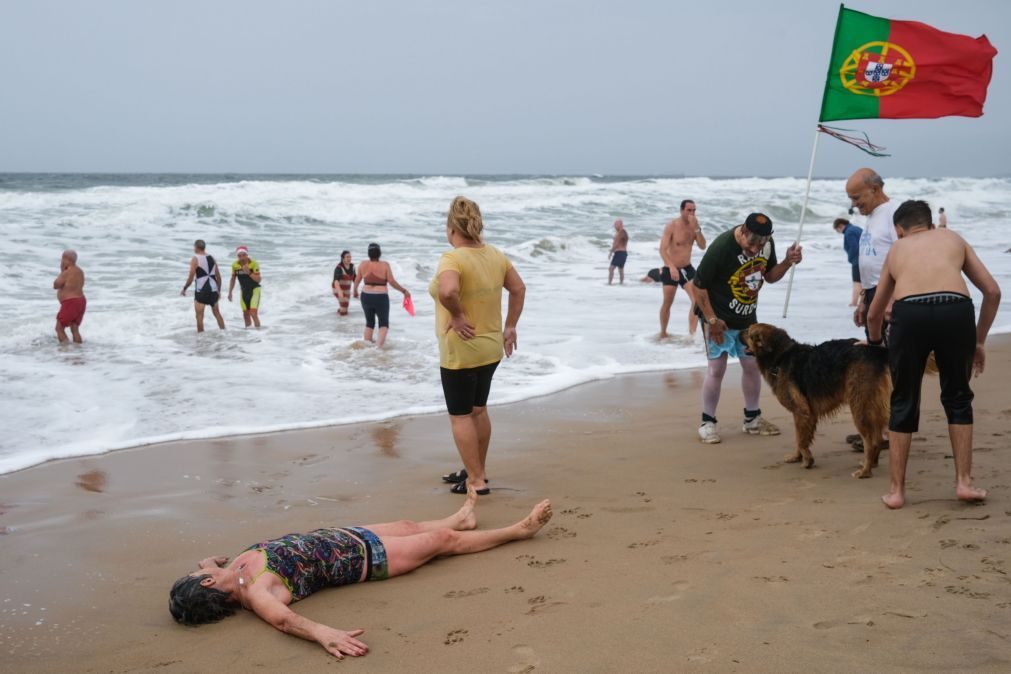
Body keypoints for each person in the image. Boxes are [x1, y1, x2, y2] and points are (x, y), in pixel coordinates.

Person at [169, 490, 553, 660]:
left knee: (410, 523)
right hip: (367, 559)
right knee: (440, 541)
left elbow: (208, 565)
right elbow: (285, 621)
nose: (205, 568)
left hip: (343, 536)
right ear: (206, 585)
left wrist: (207, 562)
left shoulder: (225, 574)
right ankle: (518, 531)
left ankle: (463, 517)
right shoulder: (255, 593)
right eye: (201, 572)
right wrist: (324, 634)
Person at [866, 200, 1000, 510]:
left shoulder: (897, 250)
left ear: (899, 230)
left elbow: (875, 314)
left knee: (903, 399)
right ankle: (964, 482)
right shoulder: (953, 238)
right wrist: (978, 341)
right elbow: (992, 292)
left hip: (910, 313)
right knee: (957, 397)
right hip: (956, 308)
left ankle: (897, 492)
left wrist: (875, 344)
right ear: (928, 223)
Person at [432, 196, 526, 496]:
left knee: (460, 415)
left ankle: (475, 481)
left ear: (451, 228)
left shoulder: (453, 258)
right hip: (490, 348)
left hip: (461, 349)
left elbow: (448, 291)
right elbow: (518, 288)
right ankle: (477, 470)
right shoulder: (496, 255)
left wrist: (458, 316)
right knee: (478, 411)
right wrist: (510, 326)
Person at [692, 213, 802, 444]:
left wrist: (786, 262)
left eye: (760, 244)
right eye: (751, 243)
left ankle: (752, 419)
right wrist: (711, 320)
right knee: (716, 369)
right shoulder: (722, 247)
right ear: (742, 231)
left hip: (746, 318)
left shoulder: (766, 244)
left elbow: (769, 276)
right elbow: (698, 286)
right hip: (717, 319)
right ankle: (707, 422)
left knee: (752, 366)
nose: (755, 249)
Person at [847, 168, 899, 338]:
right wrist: (863, 299)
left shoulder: (894, 213)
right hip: (872, 293)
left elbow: (905, 259)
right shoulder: (872, 215)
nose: (853, 204)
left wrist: (891, 300)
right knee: (875, 356)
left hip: (890, 294)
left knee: (890, 356)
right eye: (851, 199)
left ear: (875, 189)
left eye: (856, 198)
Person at [659, 199, 707, 337]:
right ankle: (663, 333)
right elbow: (662, 249)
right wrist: (672, 267)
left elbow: (703, 246)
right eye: (689, 210)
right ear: (682, 211)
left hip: (687, 268)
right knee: (668, 302)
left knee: (697, 301)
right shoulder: (672, 226)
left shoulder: (695, 226)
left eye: (694, 210)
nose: (692, 213)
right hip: (670, 268)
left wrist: (697, 229)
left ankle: (691, 336)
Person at [353, 243, 410, 347]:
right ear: (379, 253)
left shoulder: (363, 264)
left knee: (369, 323)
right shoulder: (385, 265)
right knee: (383, 323)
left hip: (366, 296)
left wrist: (355, 290)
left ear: (368, 253)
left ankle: (367, 346)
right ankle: (377, 349)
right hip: (380, 297)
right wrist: (403, 291)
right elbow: (392, 282)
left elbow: (357, 280)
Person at [181, 240, 225, 332]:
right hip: (213, 290)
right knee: (217, 313)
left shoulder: (195, 258)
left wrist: (184, 288)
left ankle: (201, 341)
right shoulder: (212, 258)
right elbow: (219, 277)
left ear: (196, 247)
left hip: (201, 290)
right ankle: (224, 333)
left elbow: (191, 277)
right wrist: (218, 291)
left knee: (199, 317)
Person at [53, 249, 86, 344]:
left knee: (59, 328)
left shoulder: (67, 272)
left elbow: (56, 285)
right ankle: (78, 350)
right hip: (81, 301)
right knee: (74, 328)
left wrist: (62, 270)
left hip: (71, 302)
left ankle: (66, 351)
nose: (61, 261)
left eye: (62, 259)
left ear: (66, 259)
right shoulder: (80, 271)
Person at [227, 246, 262, 328]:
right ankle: (248, 337)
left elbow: (258, 280)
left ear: (247, 255)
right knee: (246, 315)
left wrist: (249, 272)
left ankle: (259, 334)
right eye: (239, 256)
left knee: (253, 313)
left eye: (244, 255)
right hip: (243, 291)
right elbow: (233, 279)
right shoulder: (235, 265)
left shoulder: (253, 263)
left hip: (254, 290)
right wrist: (230, 292)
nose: (242, 258)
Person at [834, 217, 864, 306]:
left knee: (857, 282)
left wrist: (850, 258)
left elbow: (854, 247)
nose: (838, 232)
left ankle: (854, 302)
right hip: (866, 258)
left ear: (840, 226)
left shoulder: (849, 232)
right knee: (865, 282)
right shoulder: (857, 228)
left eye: (837, 230)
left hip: (857, 260)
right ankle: (862, 302)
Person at [332, 250, 357, 316]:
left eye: (350, 257)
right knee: (344, 308)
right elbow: (336, 281)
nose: (349, 259)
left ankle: (337, 318)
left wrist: (356, 290)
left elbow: (355, 279)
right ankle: (342, 324)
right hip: (337, 288)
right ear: (343, 258)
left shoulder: (352, 267)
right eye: (347, 257)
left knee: (344, 307)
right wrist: (339, 291)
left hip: (347, 289)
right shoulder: (339, 268)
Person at [608, 219, 629, 285]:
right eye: (614, 224)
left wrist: (611, 252)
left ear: (620, 225)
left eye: (616, 224)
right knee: (620, 269)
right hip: (621, 253)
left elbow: (616, 243)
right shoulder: (621, 232)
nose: (614, 226)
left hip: (620, 253)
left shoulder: (622, 232)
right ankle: (621, 283)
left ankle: (609, 283)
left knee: (611, 268)